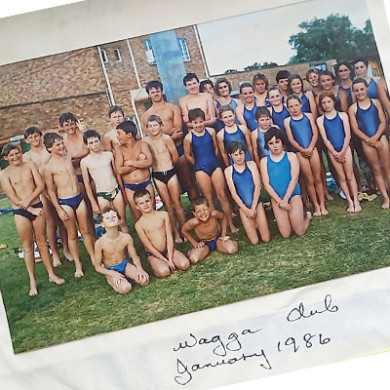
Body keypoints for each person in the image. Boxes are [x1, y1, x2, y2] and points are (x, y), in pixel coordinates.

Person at [1, 143, 65, 296]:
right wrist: (29, 208)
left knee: (42, 242)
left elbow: (40, 185)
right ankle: (33, 281)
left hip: (36, 205)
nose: (15, 157)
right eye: (11, 155)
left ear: (21, 153)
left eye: (17, 153)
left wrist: (29, 201)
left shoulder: (30, 165)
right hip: (21, 211)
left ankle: (52, 274)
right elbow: (12, 196)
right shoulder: (4, 174)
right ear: (5, 158)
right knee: (28, 246)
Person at [43, 132, 96, 277]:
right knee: (72, 234)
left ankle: (94, 259)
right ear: (49, 148)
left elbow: (85, 150)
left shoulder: (68, 157)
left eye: (61, 143)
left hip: (78, 198)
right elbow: (51, 191)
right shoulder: (48, 167)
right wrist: (58, 209)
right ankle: (78, 265)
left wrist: (83, 131)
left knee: (85, 230)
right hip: (65, 201)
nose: (61, 146)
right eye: (57, 145)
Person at [183, 108, 238, 233]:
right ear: (191, 123)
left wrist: (214, 160)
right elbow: (188, 155)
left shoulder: (211, 132)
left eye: (201, 122)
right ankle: (215, 226)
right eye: (195, 123)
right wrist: (197, 164)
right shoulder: (189, 138)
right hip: (200, 169)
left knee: (222, 195)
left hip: (214, 165)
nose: (198, 125)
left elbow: (216, 148)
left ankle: (230, 223)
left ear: (204, 121)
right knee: (209, 199)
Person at [23, 126, 72, 265]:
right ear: (26, 140)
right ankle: (55, 254)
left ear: (40, 135)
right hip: (42, 192)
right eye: (31, 137)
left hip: (57, 187)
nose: (34, 139)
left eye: (36, 136)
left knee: (62, 220)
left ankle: (66, 249)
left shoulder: (49, 150)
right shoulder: (27, 157)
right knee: (51, 223)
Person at [141, 80, 197, 201]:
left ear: (162, 91)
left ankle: (197, 209)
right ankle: (175, 217)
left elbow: (178, 129)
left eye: (158, 91)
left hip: (178, 149)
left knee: (188, 182)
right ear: (148, 94)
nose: (156, 94)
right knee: (166, 190)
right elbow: (149, 135)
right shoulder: (145, 115)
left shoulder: (173, 108)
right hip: (159, 154)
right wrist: (169, 137)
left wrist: (161, 135)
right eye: (152, 92)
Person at [259, 127, 312, 238]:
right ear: (267, 145)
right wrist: (280, 201)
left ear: (282, 142)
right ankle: (292, 218)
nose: (275, 146)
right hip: (277, 198)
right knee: (285, 234)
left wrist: (286, 199)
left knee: (299, 231)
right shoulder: (264, 161)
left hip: (292, 195)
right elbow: (266, 184)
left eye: (277, 142)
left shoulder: (291, 156)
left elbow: (294, 179)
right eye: (271, 143)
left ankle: (307, 217)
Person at [348, 78, 390, 209]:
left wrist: (376, 137)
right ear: (354, 92)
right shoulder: (353, 108)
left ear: (367, 88)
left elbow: (383, 121)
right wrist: (369, 140)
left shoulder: (376, 102)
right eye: (356, 90)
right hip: (367, 142)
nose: (360, 92)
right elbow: (355, 128)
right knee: (376, 169)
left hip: (380, 138)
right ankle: (386, 197)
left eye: (362, 89)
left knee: (387, 167)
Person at [143, 115, 186, 242]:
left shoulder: (167, 139)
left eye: (155, 125)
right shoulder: (146, 141)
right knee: (168, 206)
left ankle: (184, 230)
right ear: (146, 128)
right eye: (150, 126)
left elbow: (175, 156)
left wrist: (169, 167)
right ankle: (175, 233)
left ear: (161, 126)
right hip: (157, 175)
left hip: (170, 172)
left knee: (177, 203)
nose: (153, 128)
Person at [317, 91, 361, 213]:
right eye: (324, 103)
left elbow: (347, 134)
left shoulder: (343, 115)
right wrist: (334, 152)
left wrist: (342, 151)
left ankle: (356, 201)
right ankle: (349, 201)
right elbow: (325, 138)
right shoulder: (320, 120)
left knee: (350, 175)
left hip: (345, 148)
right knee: (341, 177)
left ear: (334, 102)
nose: (326, 105)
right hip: (333, 150)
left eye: (328, 102)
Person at [284, 94, 328, 216]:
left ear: (301, 105)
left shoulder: (308, 116)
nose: (294, 108)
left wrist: (310, 148)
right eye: (291, 106)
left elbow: (315, 133)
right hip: (300, 152)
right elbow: (291, 139)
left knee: (318, 178)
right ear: (287, 108)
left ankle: (322, 205)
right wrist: (302, 150)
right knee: (309, 180)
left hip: (312, 149)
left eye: (296, 105)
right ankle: (316, 206)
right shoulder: (287, 121)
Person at [80, 129, 129, 233]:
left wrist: (123, 192)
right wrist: (93, 202)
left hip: (115, 190)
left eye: (96, 141)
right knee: (109, 224)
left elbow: (117, 175)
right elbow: (87, 184)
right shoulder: (85, 161)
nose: (95, 145)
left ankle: (129, 247)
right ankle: (116, 248)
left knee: (122, 221)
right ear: (87, 145)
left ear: (100, 141)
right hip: (102, 194)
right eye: (91, 143)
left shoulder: (108, 155)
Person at [134, 189, 190, 277]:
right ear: (137, 206)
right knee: (164, 272)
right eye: (141, 203)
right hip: (153, 254)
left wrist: (170, 258)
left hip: (168, 250)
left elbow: (169, 236)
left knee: (185, 264)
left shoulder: (163, 215)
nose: (145, 205)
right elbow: (148, 246)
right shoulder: (139, 225)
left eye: (147, 201)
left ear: (152, 200)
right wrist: (166, 261)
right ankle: (156, 265)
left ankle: (171, 258)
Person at [94, 206, 149, 294]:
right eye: (107, 218)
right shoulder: (100, 243)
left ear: (119, 220)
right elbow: (97, 266)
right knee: (126, 288)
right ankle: (112, 280)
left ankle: (127, 275)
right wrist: (112, 273)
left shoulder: (126, 237)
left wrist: (139, 268)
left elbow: (134, 257)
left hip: (124, 264)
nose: (111, 219)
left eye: (114, 217)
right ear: (102, 224)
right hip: (110, 268)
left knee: (144, 280)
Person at [224, 141, 270, 245]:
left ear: (245, 153)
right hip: (243, 207)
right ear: (230, 156)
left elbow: (258, 186)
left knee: (266, 238)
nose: (239, 157)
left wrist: (253, 208)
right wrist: (246, 210)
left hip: (256, 204)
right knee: (254, 241)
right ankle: (254, 224)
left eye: (241, 154)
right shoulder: (228, 171)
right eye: (235, 155)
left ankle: (258, 223)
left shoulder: (251, 165)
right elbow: (234, 193)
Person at [114, 120, 154, 221]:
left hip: (145, 183)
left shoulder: (141, 144)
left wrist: (130, 162)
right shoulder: (119, 150)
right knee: (137, 215)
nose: (117, 137)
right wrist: (140, 162)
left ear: (129, 134)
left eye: (119, 133)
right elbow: (119, 170)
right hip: (130, 187)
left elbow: (149, 162)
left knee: (152, 211)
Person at [181, 197, 238, 263]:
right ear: (194, 213)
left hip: (218, 239)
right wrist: (194, 243)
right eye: (198, 211)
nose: (202, 213)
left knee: (232, 250)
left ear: (209, 208)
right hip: (204, 243)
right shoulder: (194, 222)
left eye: (205, 209)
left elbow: (223, 217)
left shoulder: (214, 214)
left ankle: (233, 242)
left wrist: (223, 233)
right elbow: (184, 230)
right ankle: (191, 251)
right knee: (194, 259)